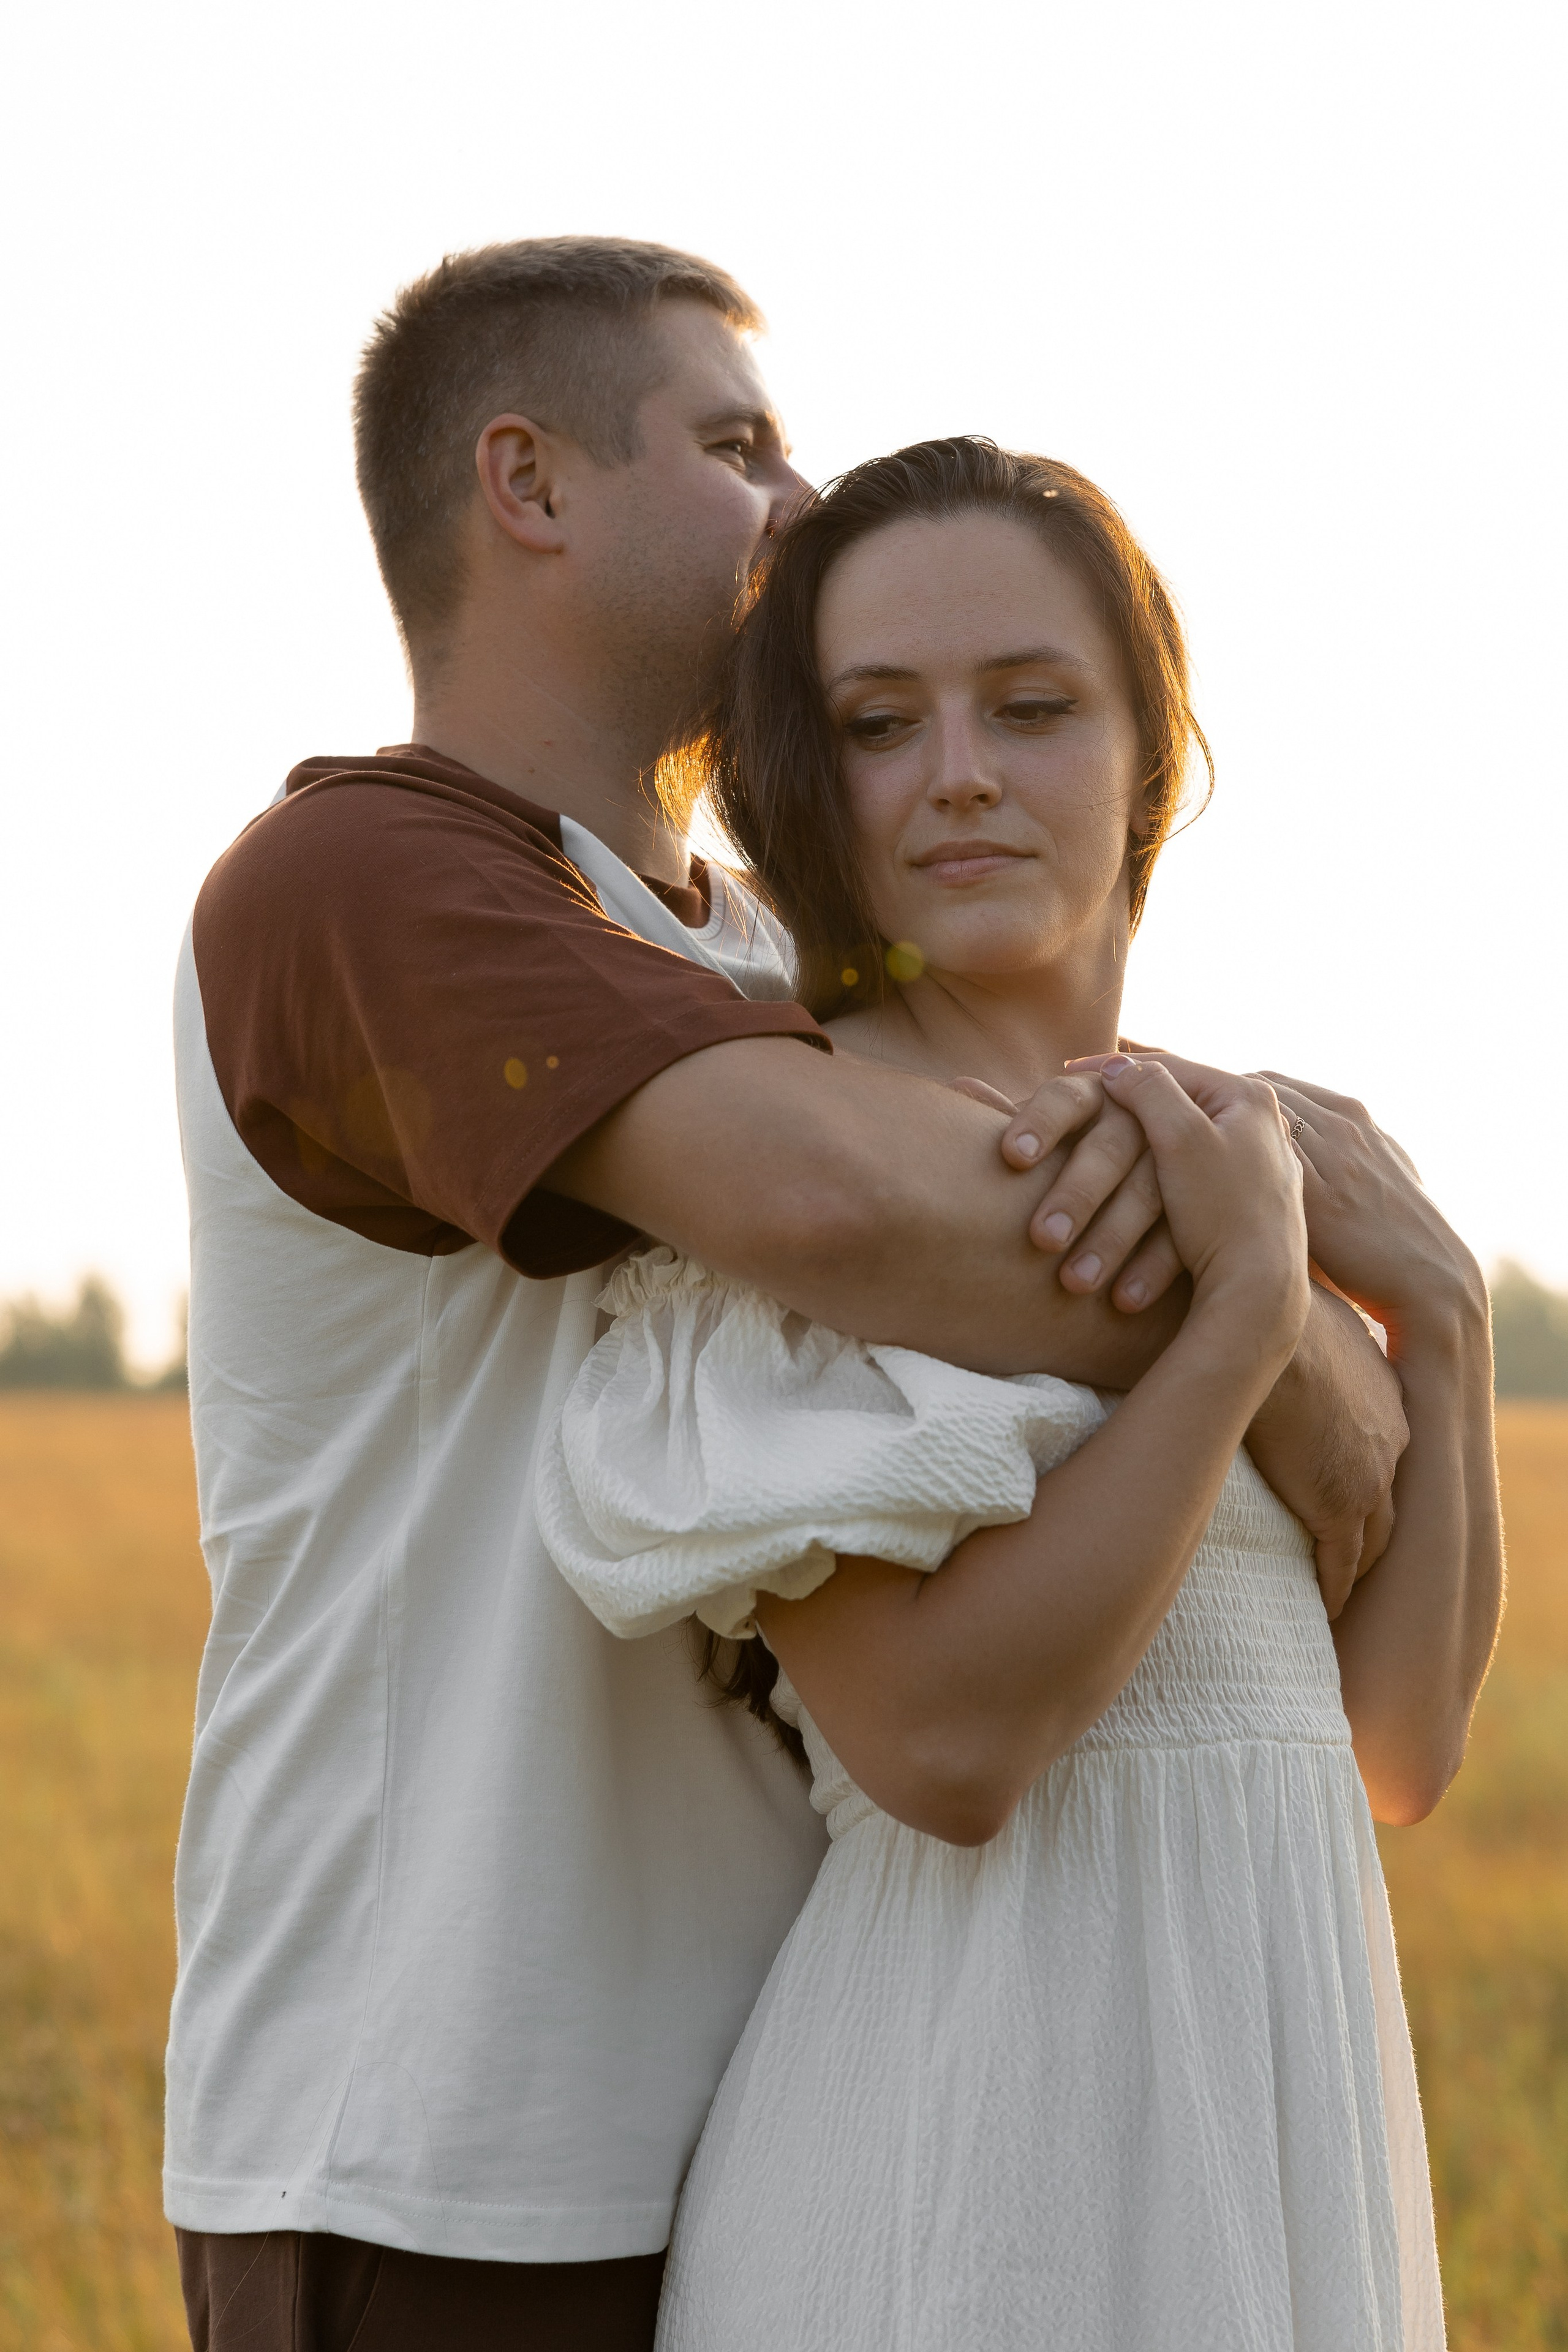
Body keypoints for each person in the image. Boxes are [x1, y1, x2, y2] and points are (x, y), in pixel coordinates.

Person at [168, 243, 1405, 2352]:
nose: (797, 501)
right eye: (739, 445)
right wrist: (1293, 1299)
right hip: (438, 2134)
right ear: (529, 481)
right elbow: (847, 1206)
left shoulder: (748, 956)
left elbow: (999, 1142)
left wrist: (1346, 1284)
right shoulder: (364, 881)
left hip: (775, 2091)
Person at [539, 439, 1502, 2350]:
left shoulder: (1238, 1154)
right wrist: (1237, 1326)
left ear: (1152, 750)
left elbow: (1393, 1750)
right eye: (883, 723)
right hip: (959, 2162)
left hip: (1274, 2117)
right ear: (821, 780)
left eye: (1034, 707)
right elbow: (946, 1755)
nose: (961, 772)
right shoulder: (805, 1181)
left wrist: (1446, 1331)